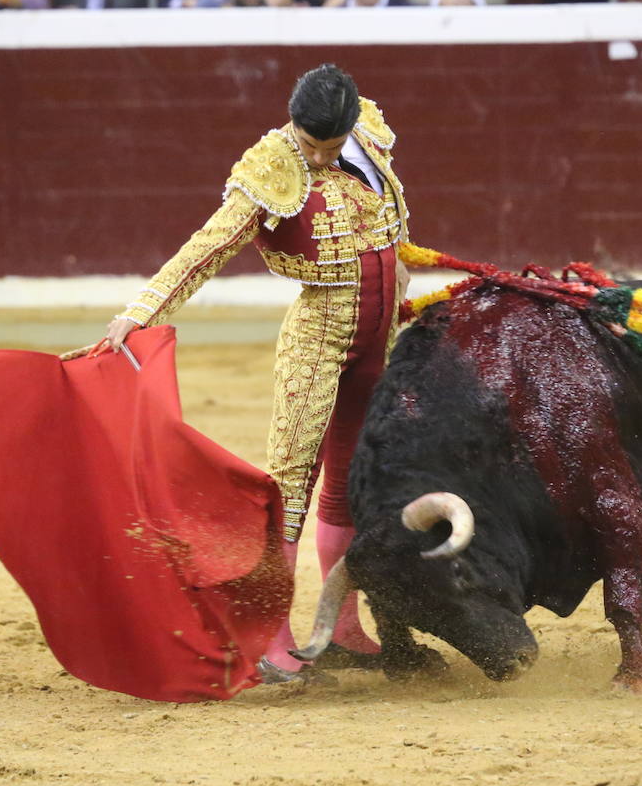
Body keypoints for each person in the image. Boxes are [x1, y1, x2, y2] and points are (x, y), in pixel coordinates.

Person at [87, 64, 411, 685]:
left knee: (354, 481)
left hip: (379, 337)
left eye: (329, 144)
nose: (318, 156)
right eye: (310, 143)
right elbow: (209, 246)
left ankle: (341, 624)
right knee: (291, 487)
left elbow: (390, 215)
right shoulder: (273, 165)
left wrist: (398, 264)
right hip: (318, 339)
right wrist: (139, 312)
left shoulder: (365, 134)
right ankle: (273, 634)